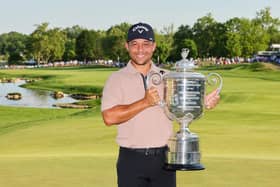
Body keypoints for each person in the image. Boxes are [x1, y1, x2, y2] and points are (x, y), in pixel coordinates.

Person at [101, 22, 220, 187]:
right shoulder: (116, 79)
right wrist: (144, 102)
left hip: (164, 160)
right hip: (131, 160)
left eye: (146, 44)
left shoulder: (168, 77)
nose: (140, 49)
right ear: (126, 46)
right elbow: (109, 117)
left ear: (154, 46)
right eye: (134, 44)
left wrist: (200, 102)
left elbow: (181, 106)